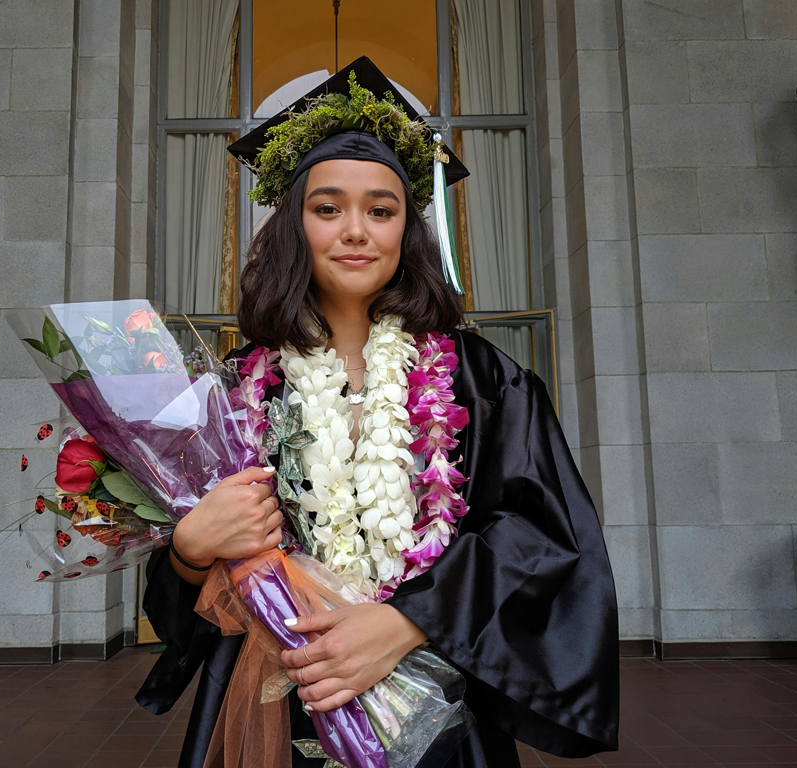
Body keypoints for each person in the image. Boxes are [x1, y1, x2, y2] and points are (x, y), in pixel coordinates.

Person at [136, 56, 619, 767]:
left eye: (381, 210)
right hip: (274, 702)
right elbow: (178, 609)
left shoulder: (482, 381)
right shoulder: (236, 391)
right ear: (295, 226)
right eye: (328, 208)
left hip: (437, 706)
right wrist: (189, 549)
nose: (356, 230)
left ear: (406, 230)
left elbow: (541, 533)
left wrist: (407, 621)